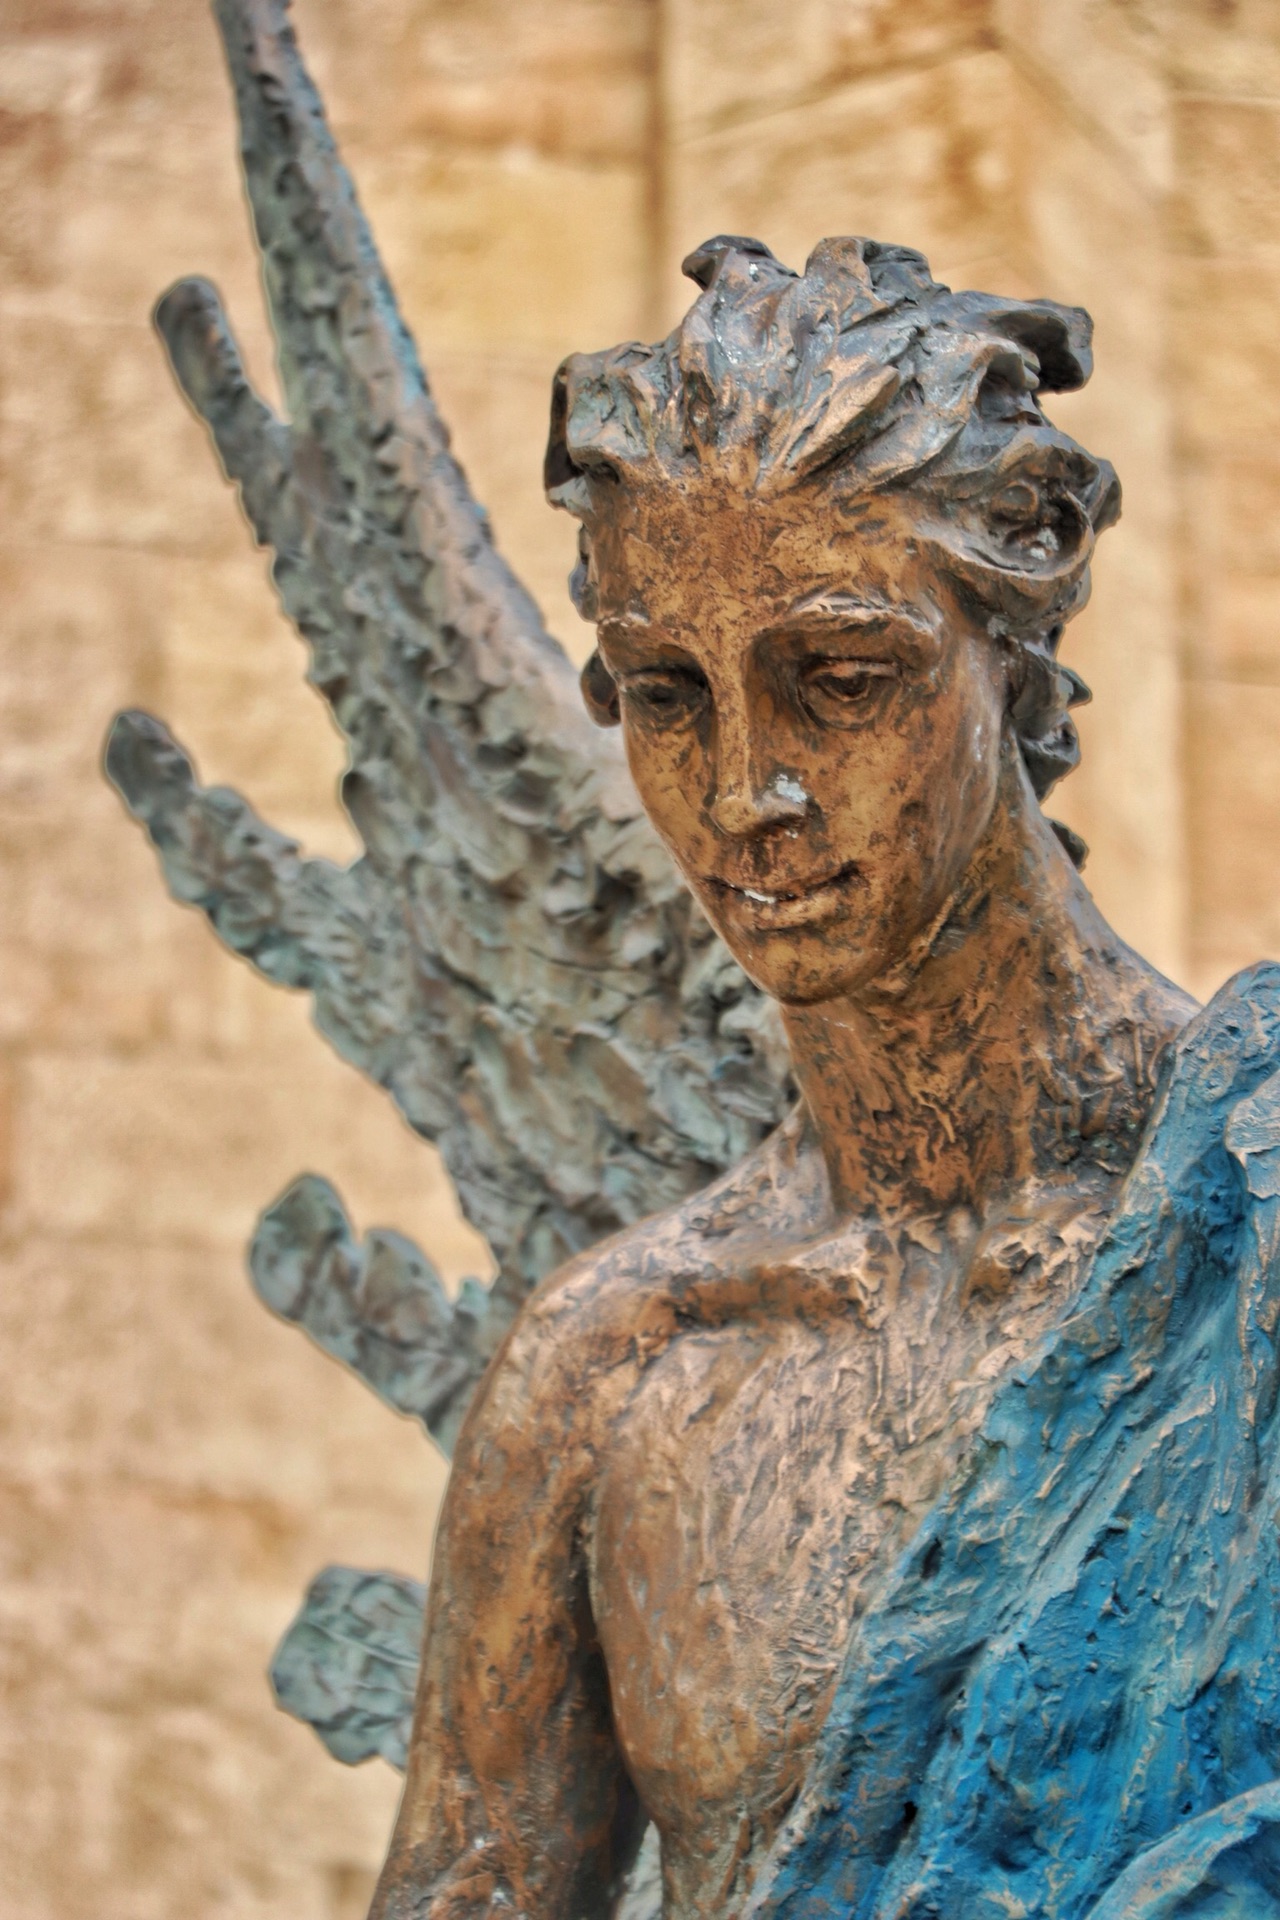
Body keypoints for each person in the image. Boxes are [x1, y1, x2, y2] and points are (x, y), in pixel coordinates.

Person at [370, 237, 1280, 1920]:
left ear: (1010, 636)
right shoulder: (615, 1369)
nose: (745, 793)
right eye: (668, 697)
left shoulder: (1248, 1208)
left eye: (843, 680)